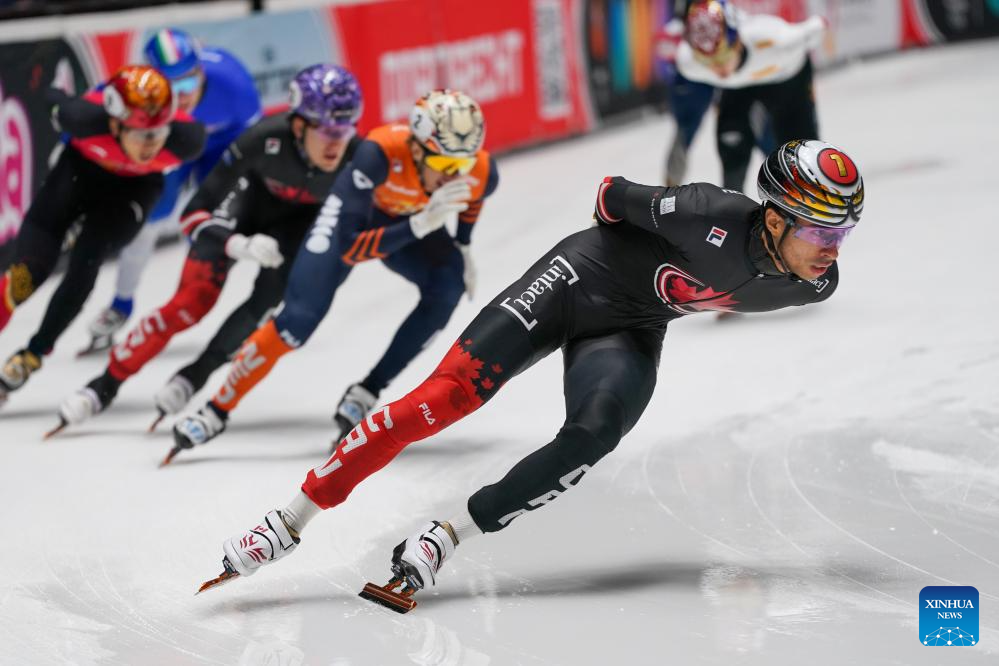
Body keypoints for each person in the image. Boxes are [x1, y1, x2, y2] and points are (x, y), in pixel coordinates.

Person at [197, 139, 865, 601]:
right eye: (820, 232)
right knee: (448, 398)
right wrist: (612, 256)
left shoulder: (812, 286)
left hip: (630, 325)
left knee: (596, 432)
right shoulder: (707, 212)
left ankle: (444, 535)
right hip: (573, 278)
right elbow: (609, 197)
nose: (829, 252)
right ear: (774, 216)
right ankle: (287, 523)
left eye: (841, 235)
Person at [169, 89, 499, 460]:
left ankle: (367, 390)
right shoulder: (378, 153)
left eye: (463, 165)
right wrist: (421, 223)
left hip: (410, 222)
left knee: (448, 284)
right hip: (359, 221)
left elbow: (473, 198)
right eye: (444, 167)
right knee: (298, 321)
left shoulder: (481, 170)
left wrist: (464, 245)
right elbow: (349, 247)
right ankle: (215, 409)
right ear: (418, 149)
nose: (453, 176)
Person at [53, 65, 363, 432]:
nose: (336, 143)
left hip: (300, 226)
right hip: (246, 209)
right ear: (298, 125)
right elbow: (192, 214)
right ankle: (104, 385)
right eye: (328, 130)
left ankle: (195, 375)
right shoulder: (262, 139)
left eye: (345, 130)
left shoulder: (360, 155)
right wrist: (237, 243)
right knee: (190, 303)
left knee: (264, 304)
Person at [0, 66, 205, 407]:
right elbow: (52, 97)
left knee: (87, 259)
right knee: (26, 274)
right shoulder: (80, 119)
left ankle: (32, 355)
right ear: (113, 124)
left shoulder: (188, 139)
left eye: (158, 134)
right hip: (80, 173)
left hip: (133, 191)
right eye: (141, 135)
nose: (150, 145)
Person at [82, 28, 261, 355]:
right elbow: (93, 102)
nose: (182, 97)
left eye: (189, 84)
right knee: (150, 216)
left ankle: (238, 306)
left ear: (202, 72)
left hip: (220, 146)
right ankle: (121, 305)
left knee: (217, 223)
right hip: (170, 142)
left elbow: (256, 142)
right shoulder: (143, 91)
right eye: (171, 87)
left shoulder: (234, 85)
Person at [676, 0, 826, 191]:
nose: (718, 68)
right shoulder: (688, 62)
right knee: (732, 146)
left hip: (787, 80)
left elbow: (818, 26)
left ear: (736, 40)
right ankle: (730, 211)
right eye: (707, 61)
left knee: (801, 157)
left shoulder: (778, 40)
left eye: (722, 56)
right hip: (738, 87)